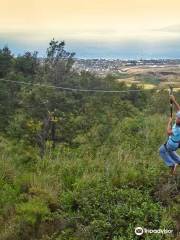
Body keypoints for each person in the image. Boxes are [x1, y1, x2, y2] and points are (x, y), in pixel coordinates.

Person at [159, 95, 180, 175]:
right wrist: (173, 101)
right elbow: (179, 109)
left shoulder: (177, 129)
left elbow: (168, 132)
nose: (176, 117)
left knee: (161, 151)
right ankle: (178, 161)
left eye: (177, 118)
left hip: (172, 144)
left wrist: (169, 122)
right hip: (177, 143)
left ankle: (172, 164)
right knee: (170, 151)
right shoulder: (179, 123)